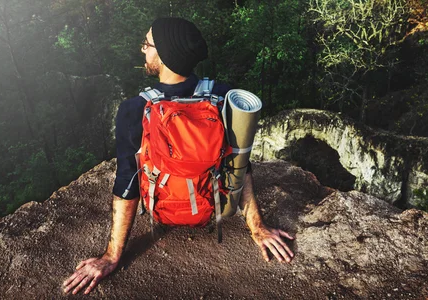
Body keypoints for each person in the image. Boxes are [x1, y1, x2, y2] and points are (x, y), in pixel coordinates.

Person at [63, 17, 294, 295]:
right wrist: (258, 228)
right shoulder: (224, 96)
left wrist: (112, 256)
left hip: (162, 212)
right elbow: (240, 165)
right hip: (213, 209)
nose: (143, 50)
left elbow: (128, 183)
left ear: (165, 55)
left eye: (147, 45)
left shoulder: (135, 108)